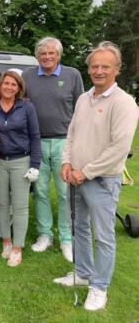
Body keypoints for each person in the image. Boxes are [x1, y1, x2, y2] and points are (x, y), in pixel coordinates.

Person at [55, 42, 138, 311]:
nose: (99, 71)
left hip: (101, 180)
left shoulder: (124, 102)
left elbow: (119, 149)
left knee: (103, 236)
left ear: (116, 69)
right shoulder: (84, 98)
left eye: (105, 66)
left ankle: (99, 287)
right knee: (79, 227)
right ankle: (83, 273)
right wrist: (67, 162)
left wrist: (85, 171)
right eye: (94, 66)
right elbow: (72, 134)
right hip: (75, 177)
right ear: (88, 69)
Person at [22, 37, 84, 262]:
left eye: (51, 53)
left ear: (59, 55)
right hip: (36, 142)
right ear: (37, 56)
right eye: (43, 53)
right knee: (39, 192)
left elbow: (81, 109)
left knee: (64, 192)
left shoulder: (72, 75)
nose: (47, 57)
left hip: (64, 143)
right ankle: (45, 235)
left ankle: (67, 239)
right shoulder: (27, 76)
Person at [0, 71, 41, 267]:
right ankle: (7, 242)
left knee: (20, 206)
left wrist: (35, 165)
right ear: (0, 86)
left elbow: (35, 136)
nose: (9, 87)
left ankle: (18, 248)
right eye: (6, 83)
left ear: (19, 88)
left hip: (21, 161)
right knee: (1, 204)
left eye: (14, 84)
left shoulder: (26, 107)